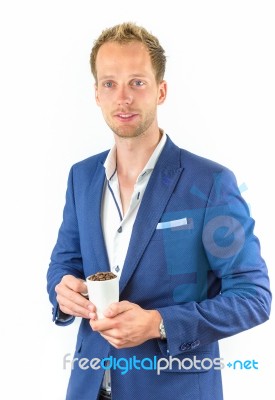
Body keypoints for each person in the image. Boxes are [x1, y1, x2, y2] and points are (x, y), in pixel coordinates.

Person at [47, 22, 272, 400]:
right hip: (87, 386)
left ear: (160, 91)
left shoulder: (210, 182)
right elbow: (64, 263)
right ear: (96, 94)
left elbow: (254, 296)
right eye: (109, 83)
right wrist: (62, 293)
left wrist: (158, 324)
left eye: (137, 82)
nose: (123, 98)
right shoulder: (81, 177)